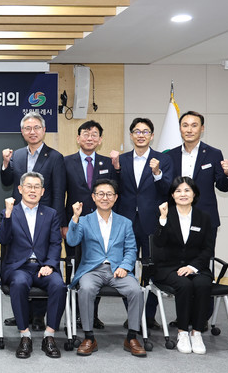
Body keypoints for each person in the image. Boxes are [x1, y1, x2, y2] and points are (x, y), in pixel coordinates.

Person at [66, 179, 146, 357]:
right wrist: (75, 218)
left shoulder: (125, 222)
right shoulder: (84, 221)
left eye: (109, 194)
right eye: (100, 194)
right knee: (86, 289)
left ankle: (132, 337)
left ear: (115, 198)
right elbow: (71, 241)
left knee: (136, 290)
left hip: (118, 270)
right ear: (93, 197)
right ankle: (89, 337)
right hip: (92, 270)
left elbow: (131, 249)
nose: (105, 198)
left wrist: (125, 266)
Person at [1, 112, 65, 330]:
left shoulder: (55, 157)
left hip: (45, 218)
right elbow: (7, 181)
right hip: (19, 216)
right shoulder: (17, 155)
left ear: (44, 130)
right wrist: (5, 164)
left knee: (43, 265)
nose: (32, 132)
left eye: (36, 127)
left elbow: (58, 191)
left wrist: (56, 221)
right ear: (22, 132)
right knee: (21, 267)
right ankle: (24, 316)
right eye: (28, 128)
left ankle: (38, 316)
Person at [110, 117, 173, 328]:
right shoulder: (122, 159)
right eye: (137, 131)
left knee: (152, 269)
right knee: (124, 268)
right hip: (125, 222)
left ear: (152, 136)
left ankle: (149, 316)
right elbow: (114, 190)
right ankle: (133, 316)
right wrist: (116, 170)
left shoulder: (163, 160)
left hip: (152, 222)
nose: (141, 135)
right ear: (131, 135)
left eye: (145, 131)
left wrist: (157, 173)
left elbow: (168, 190)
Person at [0, 172, 65, 359]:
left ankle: (49, 336)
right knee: (19, 284)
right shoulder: (9, 212)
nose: (32, 190)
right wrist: (8, 215)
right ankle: (24, 336)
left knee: (59, 285)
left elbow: (55, 243)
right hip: (19, 267)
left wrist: (50, 265)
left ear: (42, 191)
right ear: (20, 189)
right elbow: (3, 240)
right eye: (28, 186)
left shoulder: (50, 214)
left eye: (37, 187)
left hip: (43, 266)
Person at [152, 177, 216, 355]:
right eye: (178, 191)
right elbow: (158, 243)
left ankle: (197, 332)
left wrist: (192, 267)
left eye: (187, 190)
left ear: (194, 194)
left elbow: (208, 248)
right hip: (169, 267)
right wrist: (163, 219)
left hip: (196, 267)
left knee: (202, 284)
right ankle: (182, 332)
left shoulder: (204, 217)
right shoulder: (166, 214)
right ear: (172, 195)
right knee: (184, 285)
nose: (183, 194)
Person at [62, 120, 115, 330]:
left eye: (94, 135)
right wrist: (64, 223)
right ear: (78, 138)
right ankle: (74, 314)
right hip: (74, 223)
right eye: (86, 134)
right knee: (75, 268)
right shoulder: (66, 162)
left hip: (101, 226)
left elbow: (114, 193)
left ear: (100, 140)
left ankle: (92, 315)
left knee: (97, 267)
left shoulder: (108, 163)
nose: (90, 138)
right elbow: (60, 193)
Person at [167, 111, 228, 228]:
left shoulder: (213, 154)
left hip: (205, 217)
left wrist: (227, 174)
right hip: (176, 218)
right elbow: (165, 187)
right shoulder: (170, 156)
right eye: (185, 125)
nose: (189, 130)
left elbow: (223, 187)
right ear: (180, 128)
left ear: (202, 128)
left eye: (194, 125)